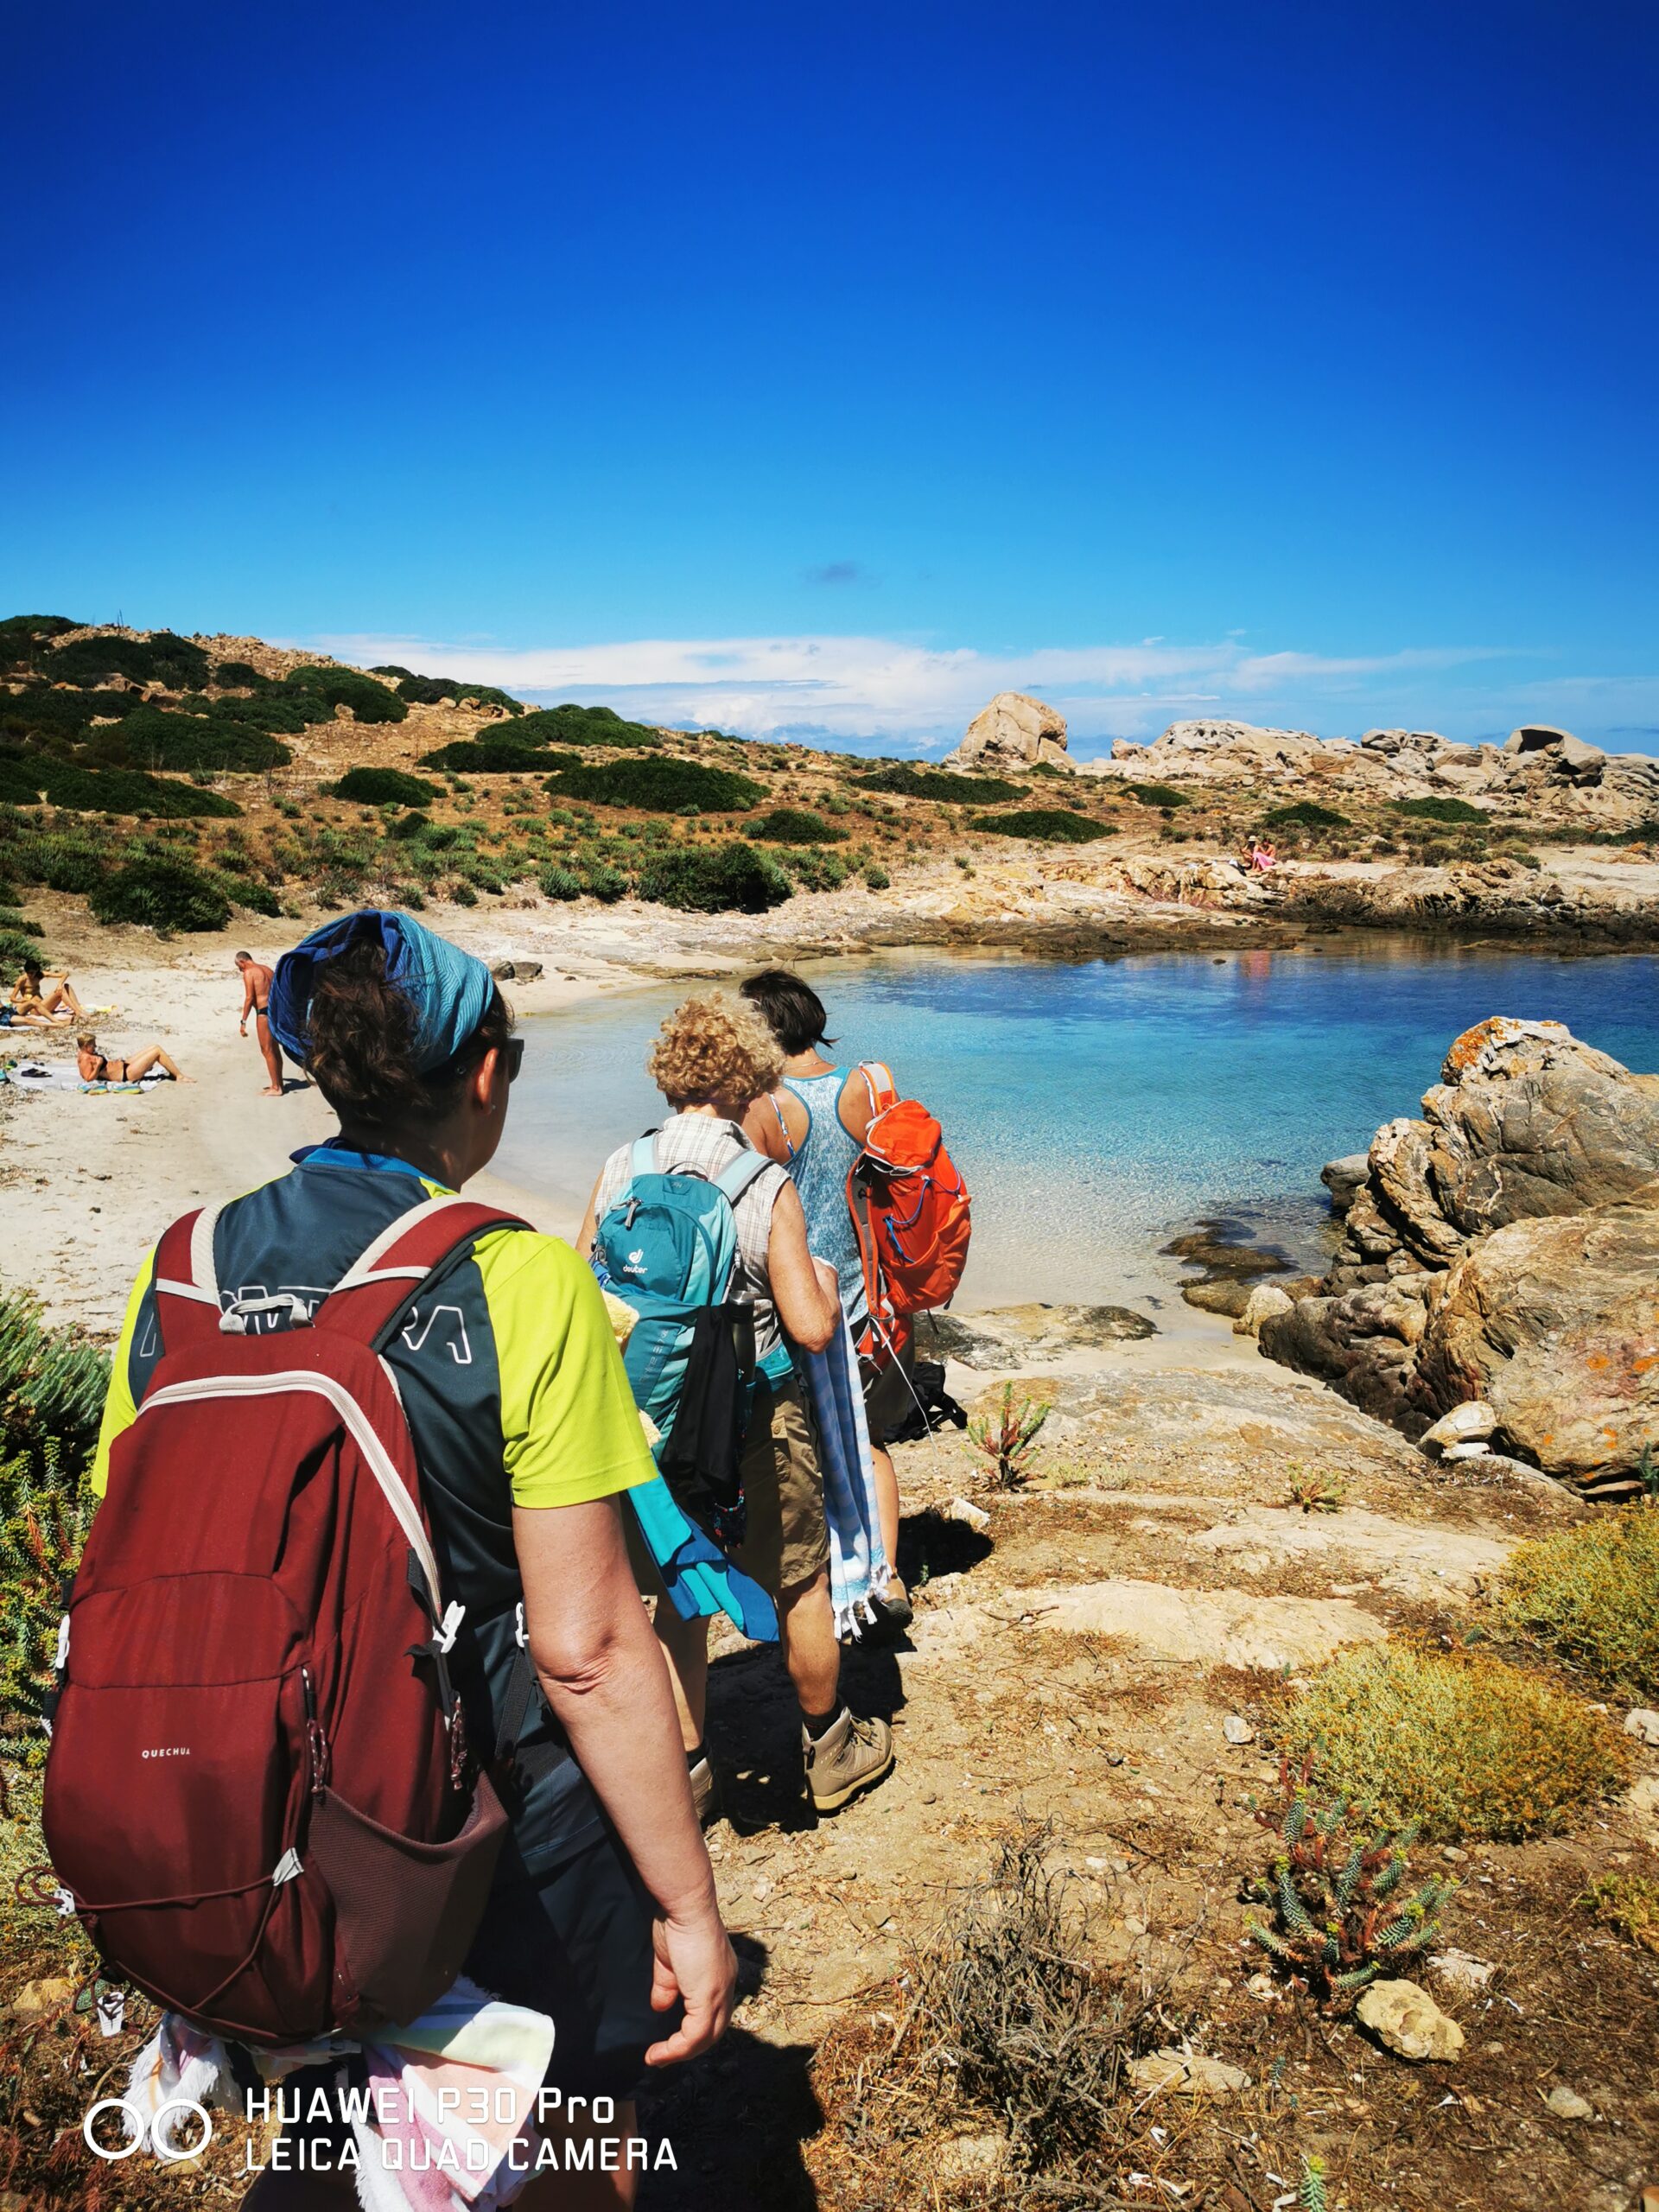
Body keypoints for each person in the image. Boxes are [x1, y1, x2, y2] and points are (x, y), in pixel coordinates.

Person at [91, 911, 730, 2208]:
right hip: (489, 1815)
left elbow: (130, 1552)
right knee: (570, 2136)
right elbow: (588, 1651)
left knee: (335, 2122)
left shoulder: (179, 1270)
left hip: (264, 1798)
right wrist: (689, 1904)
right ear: (484, 1074)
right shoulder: (522, 1279)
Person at [577, 993, 896, 1822]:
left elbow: (584, 1296)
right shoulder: (761, 1182)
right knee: (801, 1581)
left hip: (652, 1421)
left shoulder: (621, 1167)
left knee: (676, 1591)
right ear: (750, 1079)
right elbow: (810, 1326)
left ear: (669, 1075)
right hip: (755, 1415)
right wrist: (820, 1283)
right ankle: (831, 1751)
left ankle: (688, 1774)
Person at [738, 969, 913, 1637]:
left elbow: (747, 1207)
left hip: (803, 1301)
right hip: (873, 1296)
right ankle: (888, 1576)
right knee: (870, 1439)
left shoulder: (766, 1108)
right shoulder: (866, 1086)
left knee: (804, 1446)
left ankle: (825, 1582)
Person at [234, 949, 285, 1095]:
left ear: (242, 961)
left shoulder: (249, 972)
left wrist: (243, 1021)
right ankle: (279, 1083)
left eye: (239, 967)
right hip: (275, 1011)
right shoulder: (267, 970)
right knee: (275, 1049)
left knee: (266, 1049)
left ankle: (276, 1088)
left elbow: (250, 998)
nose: (240, 970)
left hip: (263, 1013)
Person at [75, 1031, 189, 1084]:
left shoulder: (84, 1054)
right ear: (85, 1046)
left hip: (125, 1065)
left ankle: (174, 1074)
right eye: (93, 1045)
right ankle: (179, 1076)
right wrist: (98, 1066)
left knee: (154, 1047)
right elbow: (88, 1078)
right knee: (157, 1051)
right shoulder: (85, 1058)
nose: (95, 1046)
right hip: (126, 1074)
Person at [11, 958, 82, 1022]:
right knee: (61, 991)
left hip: (43, 1005)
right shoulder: (22, 980)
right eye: (28, 973)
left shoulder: (39, 976)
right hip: (34, 1009)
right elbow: (12, 998)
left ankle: (79, 1010)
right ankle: (77, 1012)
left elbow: (65, 974)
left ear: (36, 971)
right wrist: (22, 1001)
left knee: (66, 986)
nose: (30, 975)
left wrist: (60, 984)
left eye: (32, 973)